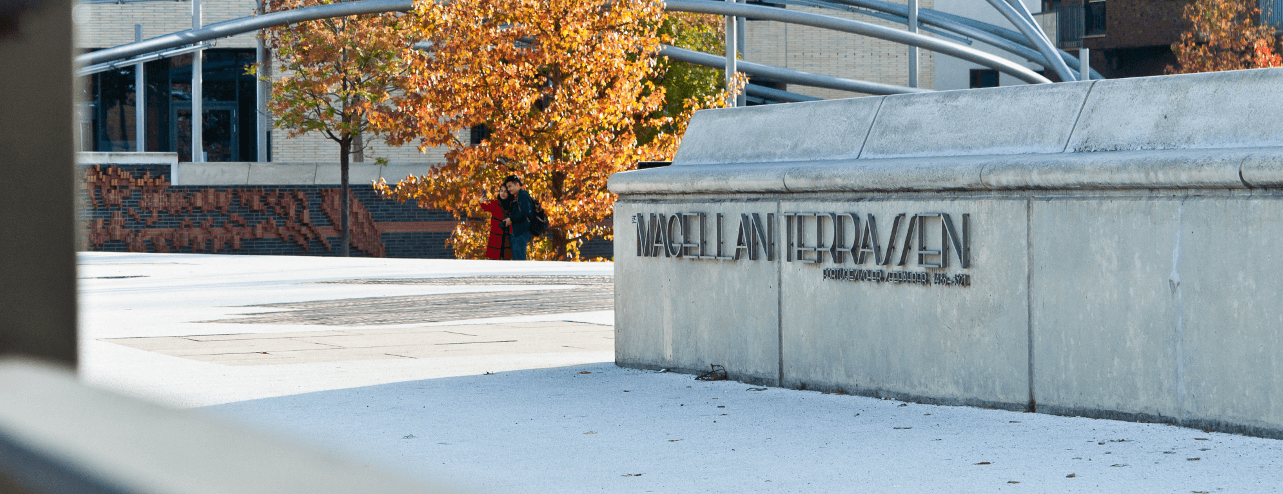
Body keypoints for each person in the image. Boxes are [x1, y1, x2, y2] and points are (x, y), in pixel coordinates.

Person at [502, 175, 534, 260]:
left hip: (521, 233)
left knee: (519, 260)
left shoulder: (522, 195)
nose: (508, 189)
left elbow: (525, 212)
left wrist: (511, 220)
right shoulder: (518, 196)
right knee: (517, 259)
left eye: (510, 186)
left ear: (517, 184)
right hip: (518, 232)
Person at [480, 184, 513, 260]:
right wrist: (481, 202)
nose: (503, 193)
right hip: (495, 235)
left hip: (507, 236)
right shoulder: (495, 203)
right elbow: (486, 207)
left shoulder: (512, 204)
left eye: (505, 191)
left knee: (506, 260)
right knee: (494, 259)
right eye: (501, 191)